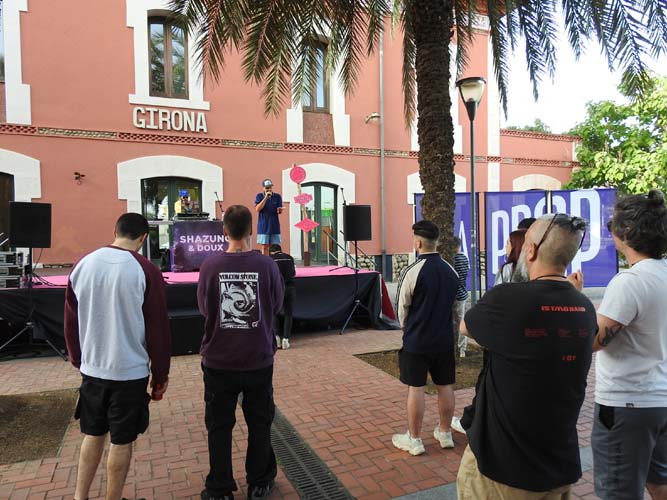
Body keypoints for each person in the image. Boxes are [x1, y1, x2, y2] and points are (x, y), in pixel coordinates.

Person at [456, 213, 597, 499]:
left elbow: (466, 327)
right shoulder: (584, 306)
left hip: (504, 470)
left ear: (530, 250)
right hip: (559, 466)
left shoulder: (507, 299)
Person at [64, 213, 171, 500]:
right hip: (129, 371)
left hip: (93, 368)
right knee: (122, 440)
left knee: (92, 434)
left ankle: (80, 496)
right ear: (143, 238)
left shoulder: (83, 264)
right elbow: (158, 328)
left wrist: (78, 358)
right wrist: (160, 374)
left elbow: (71, 319)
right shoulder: (146, 270)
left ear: (115, 231)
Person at [577, 190, 667, 500]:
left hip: (627, 404)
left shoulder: (630, 282)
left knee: (618, 492)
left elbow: (593, 341)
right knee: (660, 482)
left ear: (626, 232)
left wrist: (576, 299)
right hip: (659, 400)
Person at [197, 205, 284, 500]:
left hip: (218, 361)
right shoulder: (268, 266)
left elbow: (204, 308)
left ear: (225, 231)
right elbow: (276, 304)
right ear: (251, 230)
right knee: (260, 422)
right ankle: (259, 482)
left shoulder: (210, 266)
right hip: (258, 359)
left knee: (219, 426)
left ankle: (219, 488)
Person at [393, 220, 459, 456]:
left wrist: (407, 329)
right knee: (445, 385)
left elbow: (401, 307)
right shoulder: (451, 271)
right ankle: (445, 432)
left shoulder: (412, 271)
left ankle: (414, 439)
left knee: (416, 388)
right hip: (444, 340)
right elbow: (457, 302)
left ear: (418, 243)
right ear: (437, 241)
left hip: (417, 341)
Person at [269, 243, 296, 350]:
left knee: (274, 313)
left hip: (277, 288)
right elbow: (293, 273)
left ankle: (276, 338)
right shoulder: (290, 258)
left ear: (271, 252)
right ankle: (286, 339)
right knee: (288, 313)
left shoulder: (271, 260)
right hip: (290, 287)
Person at [255, 179, 283, 256]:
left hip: (274, 225)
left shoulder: (277, 197)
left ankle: (273, 261)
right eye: (267, 188)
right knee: (264, 246)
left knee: (274, 247)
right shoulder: (259, 196)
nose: (269, 189)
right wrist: (265, 198)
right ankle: (265, 261)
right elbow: (257, 209)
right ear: (263, 188)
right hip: (264, 226)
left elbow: (279, 211)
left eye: (270, 187)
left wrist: (279, 210)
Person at [452, 237, 470, 358]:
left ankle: (457, 347)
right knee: (461, 321)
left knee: (454, 322)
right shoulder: (464, 258)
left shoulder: (452, 260)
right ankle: (462, 348)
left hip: (454, 295)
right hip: (463, 293)